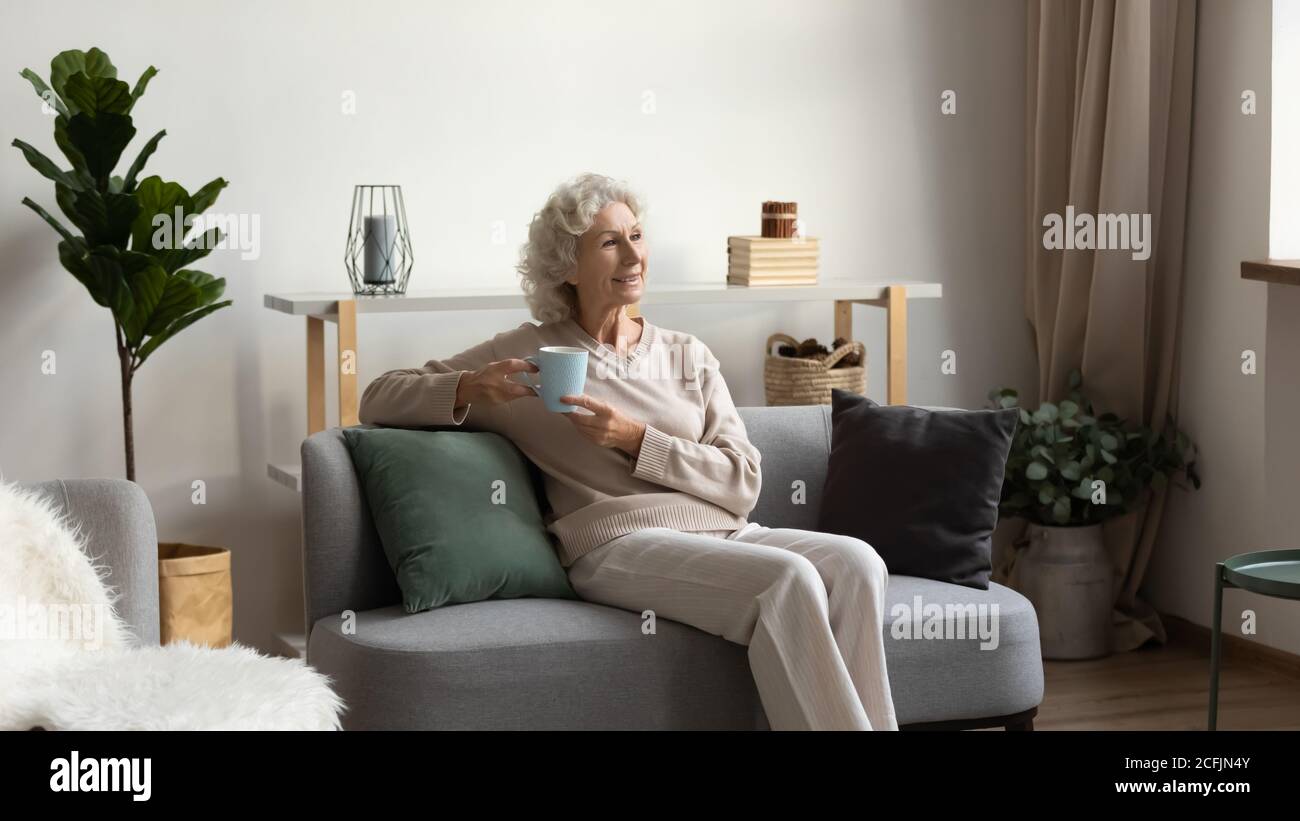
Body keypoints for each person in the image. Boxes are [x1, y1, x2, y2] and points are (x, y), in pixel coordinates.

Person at [358, 172, 897, 731]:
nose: (632, 255)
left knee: (859, 563)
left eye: (636, 236)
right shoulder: (530, 353)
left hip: (726, 531)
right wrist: (469, 388)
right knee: (787, 579)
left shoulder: (689, 355)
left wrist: (638, 440)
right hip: (615, 545)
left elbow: (744, 481)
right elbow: (377, 396)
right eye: (610, 242)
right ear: (568, 267)